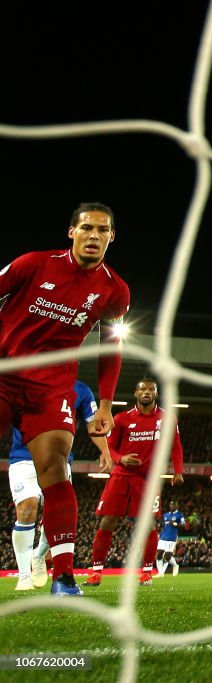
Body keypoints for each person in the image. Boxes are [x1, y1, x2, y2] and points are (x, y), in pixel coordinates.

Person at [0, 202, 130, 596]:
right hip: (5, 374)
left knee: (55, 468)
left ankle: (63, 576)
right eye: (87, 228)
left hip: (51, 387)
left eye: (102, 230)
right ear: (71, 232)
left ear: (112, 237)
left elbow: (111, 348)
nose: (94, 235)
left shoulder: (115, 290)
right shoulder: (32, 264)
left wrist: (106, 404)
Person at [7, 380, 112, 591]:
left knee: (57, 516)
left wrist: (105, 450)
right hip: (23, 458)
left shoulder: (81, 390)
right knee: (27, 508)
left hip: (60, 461)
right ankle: (24, 576)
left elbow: (92, 423)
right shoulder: (24, 381)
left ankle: (38, 556)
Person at [86, 379, 184, 586]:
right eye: (143, 389)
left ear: (156, 394)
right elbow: (109, 448)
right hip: (121, 475)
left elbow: (175, 445)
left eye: (151, 389)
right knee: (108, 521)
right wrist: (121, 459)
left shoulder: (167, 418)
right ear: (136, 393)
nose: (147, 392)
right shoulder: (121, 419)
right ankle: (96, 572)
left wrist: (178, 471)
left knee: (147, 524)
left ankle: (146, 572)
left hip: (147, 479)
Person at [156, 500, 186, 577]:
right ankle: (160, 573)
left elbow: (183, 525)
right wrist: (159, 533)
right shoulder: (165, 515)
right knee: (159, 554)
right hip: (163, 536)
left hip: (172, 537)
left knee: (167, 556)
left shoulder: (180, 515)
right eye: (171, 504)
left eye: (174, 505)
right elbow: (162, 525)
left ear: (177, 506)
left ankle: (175, 565)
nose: (172, 506)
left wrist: (175, 523)